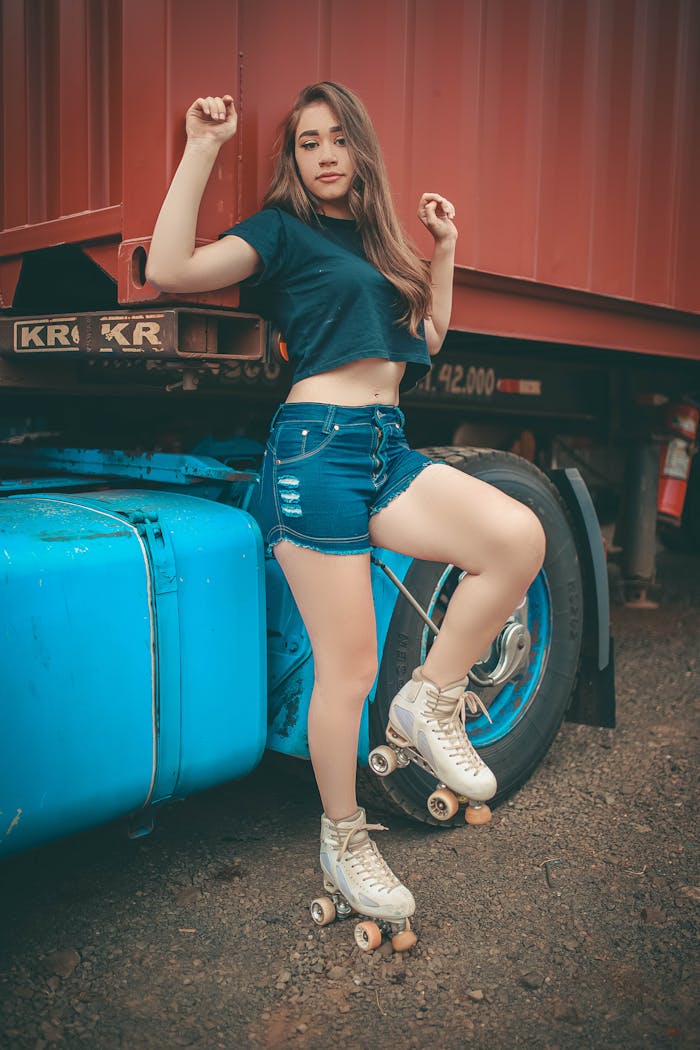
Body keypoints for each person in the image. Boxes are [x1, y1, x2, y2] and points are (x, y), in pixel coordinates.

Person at [146, 82, 546, 945]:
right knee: (350, 669)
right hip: (316, 450)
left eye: (337, 139)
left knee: (518, 538)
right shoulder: (280, 233)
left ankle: (432, 700)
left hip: (386, 447)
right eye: (307, 143)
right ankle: (345, 840)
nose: (324, 155)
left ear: (361, 150)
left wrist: (444, 250)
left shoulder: (381, 245)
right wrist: (203, 147)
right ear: (294, 159)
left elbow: (427, 339)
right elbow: (168, 271)